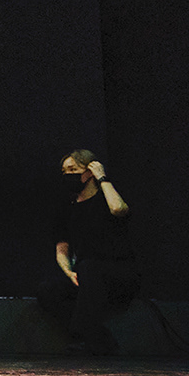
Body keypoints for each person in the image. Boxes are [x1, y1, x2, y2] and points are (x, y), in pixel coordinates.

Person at [38, 150, 136, 356]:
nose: (68, 175)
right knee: (48, 290)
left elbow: (119, 209)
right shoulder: (67, 208)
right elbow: (61, 250)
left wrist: (102, 178)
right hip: (86, 274)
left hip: (117, 271)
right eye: (64, 171)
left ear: (89, 172)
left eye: (73, 169)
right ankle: (99, 338)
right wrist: (69, 273)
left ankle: (80, 335)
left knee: (90, 268)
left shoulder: (107, 198)